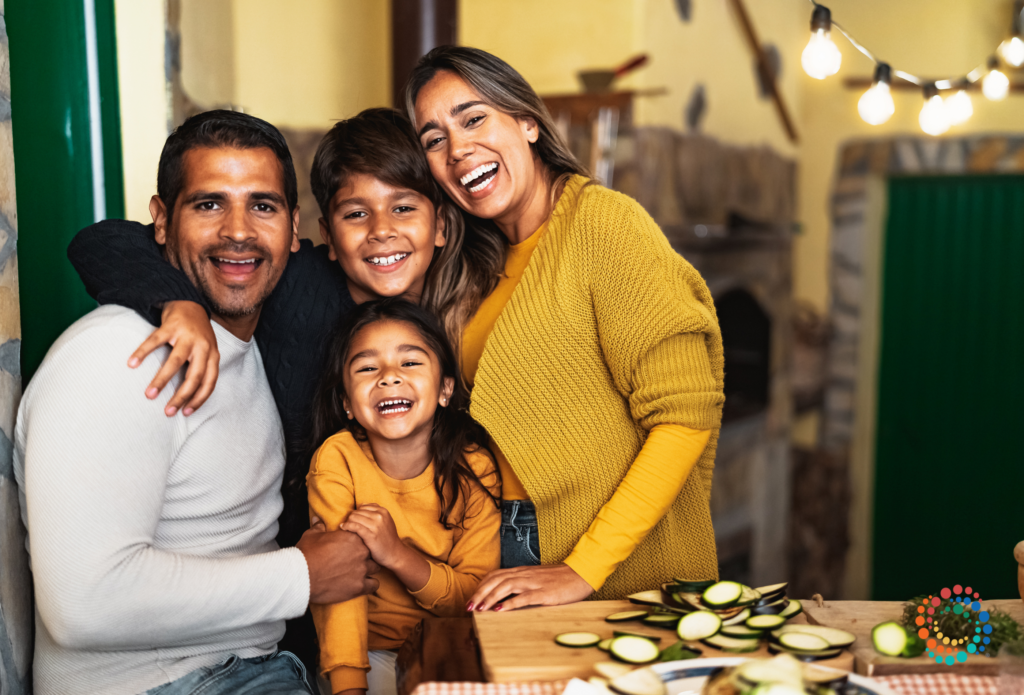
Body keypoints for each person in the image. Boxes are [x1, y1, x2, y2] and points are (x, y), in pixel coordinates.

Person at [65, 108, 470, 670]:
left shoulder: (459, 312)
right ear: (324, 235)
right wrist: (173, 297)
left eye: (403, 207)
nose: (382, 230)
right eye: (357, 213)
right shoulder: (290, 280)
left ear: (441, 225)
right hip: (292, 594)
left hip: (428, 580)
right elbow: (105, 240)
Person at [14, 110, 379, 695]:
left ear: (294, 229)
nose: (238, 231)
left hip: (254, 666)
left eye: (263, 206)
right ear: (160, 221)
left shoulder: (267, 326)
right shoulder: (117, 356)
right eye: (209, 205)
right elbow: (84, 603)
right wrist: (302, 575)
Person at [405, 46, 726, 610]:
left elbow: (683, 416)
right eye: (435, 140)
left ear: (527, 123)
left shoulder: (603, 224)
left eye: (473, 118)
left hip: (616, 565)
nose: (457, 150)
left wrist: (583, 569)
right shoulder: (471, 264)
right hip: (506, 542)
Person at [306, 299, 499, 695]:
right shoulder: (337, 459)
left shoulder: (475, 469)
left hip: (451, 643)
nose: (389, 377)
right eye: (367, 368)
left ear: (445, 389)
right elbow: (335, 585)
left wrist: (396, 554)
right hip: (364, 653)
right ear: (346, 403)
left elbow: (472, 597)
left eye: (410, 362)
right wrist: (349, 686)